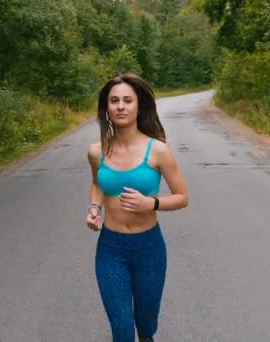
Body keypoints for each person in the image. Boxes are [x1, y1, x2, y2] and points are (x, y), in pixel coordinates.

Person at [86, 73, 189, 342]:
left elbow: (182, 197)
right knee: (121, 330)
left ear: (138, 106)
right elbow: (98, 184)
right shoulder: (96, 152)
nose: (121, 106)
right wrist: (95, 208)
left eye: (127, 100)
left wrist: (151, 203)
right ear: (106, 108)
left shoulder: (158, 151)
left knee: (145, 326)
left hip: (149, 249)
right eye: (114, 100)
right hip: (111, 250)